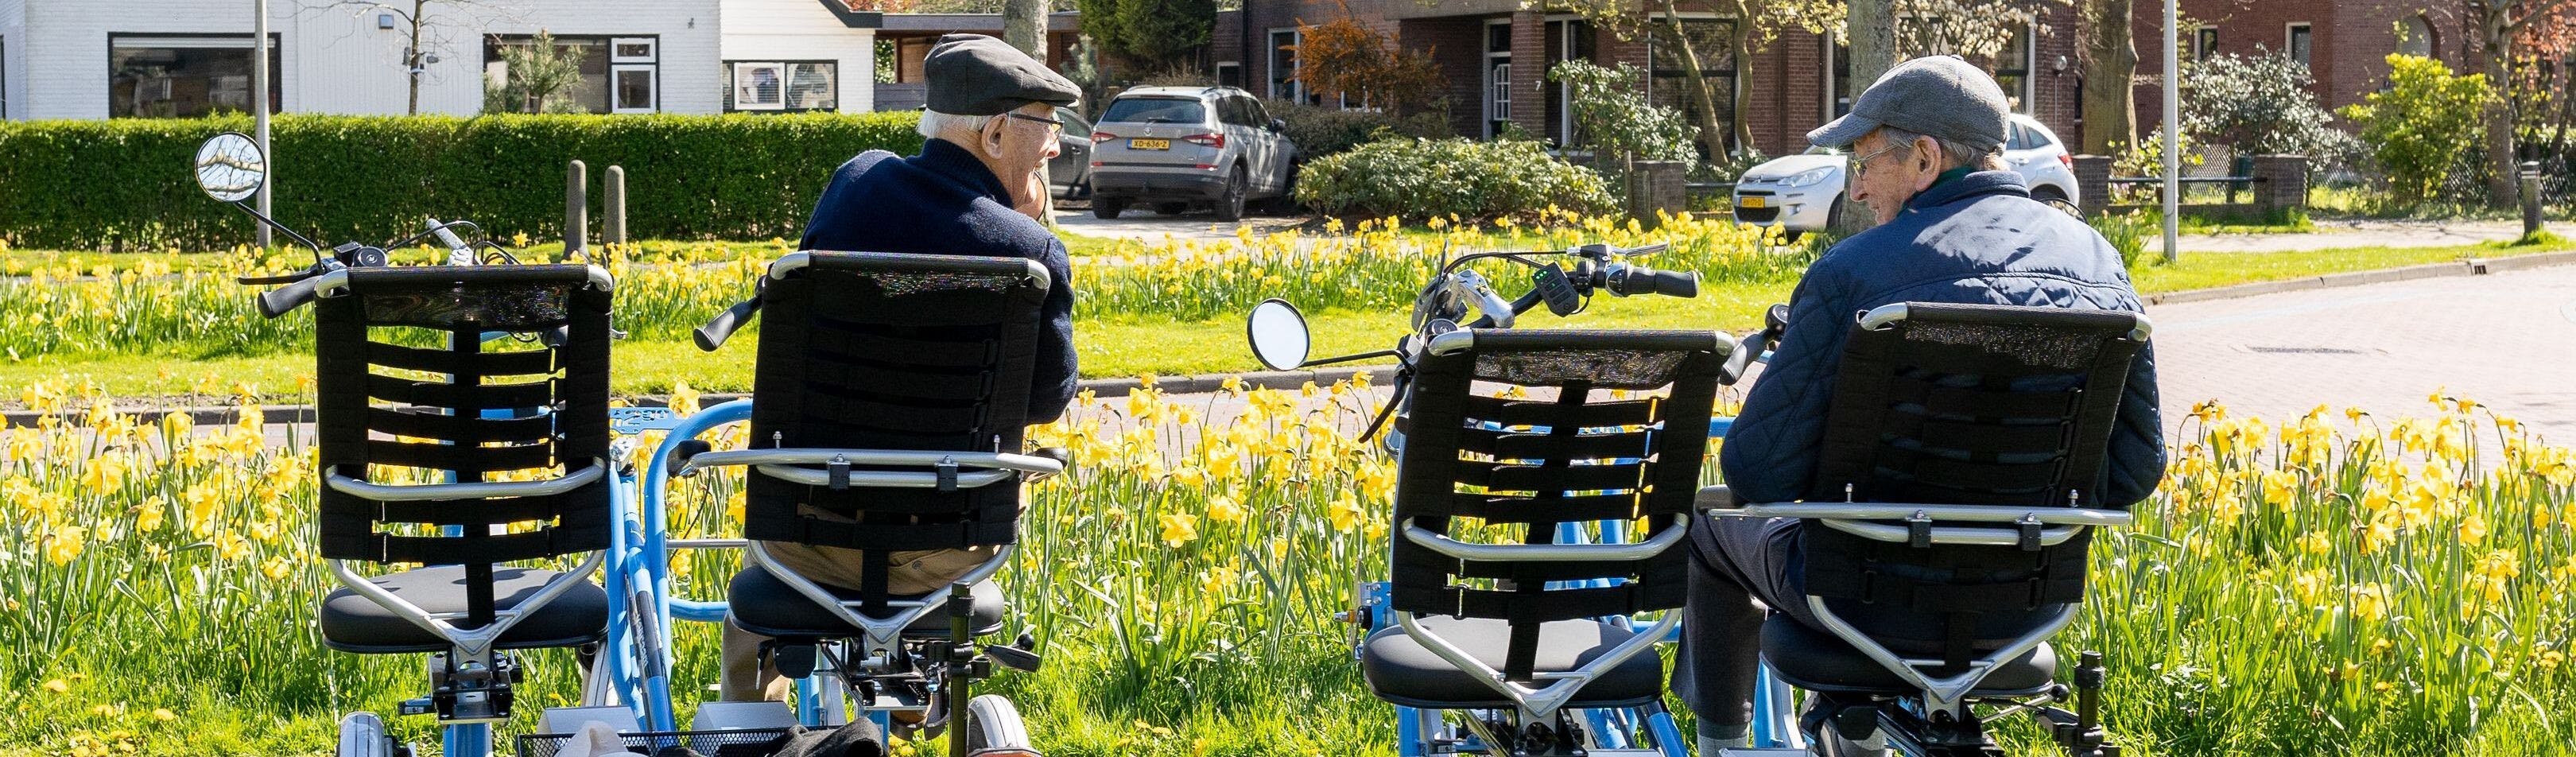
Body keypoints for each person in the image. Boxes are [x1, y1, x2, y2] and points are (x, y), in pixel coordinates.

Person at [1673, 56, 2165, 751]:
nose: (1859, 189)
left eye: (1866, 163)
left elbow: (1757, 473)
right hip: (2023, 601)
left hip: (1860, 598)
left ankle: (1724, 743)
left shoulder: (1856, 272)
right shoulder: (2099, 264)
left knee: (1710, 521)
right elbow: (2138, 468)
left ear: (1926, 158)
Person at [720, 33, 1081, 703]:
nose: (1057, 146)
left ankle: (748, 730)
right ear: (998, 135)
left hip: (809, 539)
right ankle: (915, 708)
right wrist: (1025, 229)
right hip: (946, 550)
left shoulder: (853, 186)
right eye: (1048, 126)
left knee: (754, 601)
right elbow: (1044, 402)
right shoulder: (1031, 254)